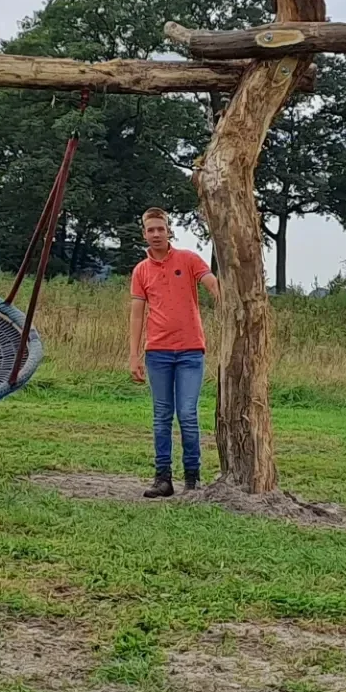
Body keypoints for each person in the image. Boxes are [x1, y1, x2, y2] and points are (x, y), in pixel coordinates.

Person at [128, 207, 220, 497]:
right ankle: (163, 478)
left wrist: (224, 297)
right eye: (151, 230)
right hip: (158, 352)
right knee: (162, 416)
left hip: (191, 351)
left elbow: (211, 282)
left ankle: (192, 478)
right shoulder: (141, 271)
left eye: (161, 228)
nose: (156, 234)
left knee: (188, 414)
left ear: (169, 231)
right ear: (144, 234)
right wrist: (133, 355)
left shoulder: (188, 259)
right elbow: (136, 314)